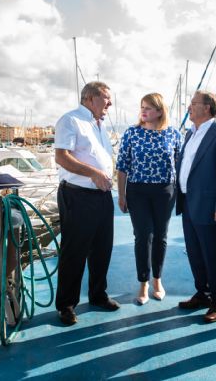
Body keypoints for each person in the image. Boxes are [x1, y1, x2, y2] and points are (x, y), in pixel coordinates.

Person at [54, 81, 120, 326]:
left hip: (102, 196)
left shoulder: (98, 124)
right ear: (90, 98)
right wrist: (93, 173)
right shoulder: (71, 120)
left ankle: (98, 295)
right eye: (106, 98)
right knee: (74, 251)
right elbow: (62, 156)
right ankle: (66, 305)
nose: (110, 104)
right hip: (77, 196)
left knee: (103, 248)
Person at [175, 90, 216, 323]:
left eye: (193, 103)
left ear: (207, 108)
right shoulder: (191, 134)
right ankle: (203, 293)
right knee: (195, 253)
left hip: (211, 206)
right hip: (189, 202)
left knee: (213, 255)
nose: (189, 106)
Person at [116, 93, 181, 305]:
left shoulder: (173, 133)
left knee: (161, 236)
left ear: (160, 111)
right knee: (143, 236)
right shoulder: (132, 133)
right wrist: (122, 194)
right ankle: (143, 283)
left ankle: (157, 281)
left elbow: (181, 166)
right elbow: (123, 166)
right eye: (142, 107)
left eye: (149, 108)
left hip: (165, 191)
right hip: (138, 191)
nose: (143, 111)